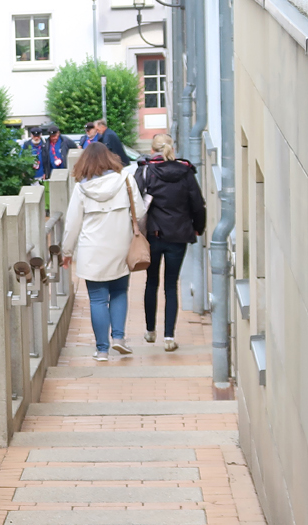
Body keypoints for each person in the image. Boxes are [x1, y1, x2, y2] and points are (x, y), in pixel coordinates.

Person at [60, 142, 146, 361]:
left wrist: (66, 251)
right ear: (110, 159)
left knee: (98, 300)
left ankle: (102, 350)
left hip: (92, 250)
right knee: (119, 292)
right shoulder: (125, 180)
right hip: (120, 246)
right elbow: (141, 210)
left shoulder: (81, 188)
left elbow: (72, 224)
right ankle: (119, 338)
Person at [134, 133, 206, 351]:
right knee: (171, 285)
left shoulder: (145, 171)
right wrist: (198, 228)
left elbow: (135, 203)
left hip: (153, 234)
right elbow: (197, 204)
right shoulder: (185, 171)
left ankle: (149, 331)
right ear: (171, 147)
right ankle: (169, 337)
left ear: (153, 148)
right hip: (179, 235)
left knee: (151, 281)